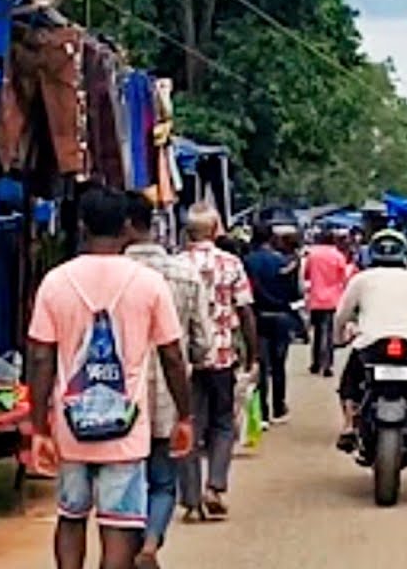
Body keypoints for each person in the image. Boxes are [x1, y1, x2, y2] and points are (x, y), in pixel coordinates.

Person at [27, 187, 194, 569]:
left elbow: (40, 357)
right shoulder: (149, 284)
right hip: (126, 429)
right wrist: (184, 416)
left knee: (71, 515)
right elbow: (171, 355)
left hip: (70, 428)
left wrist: (38, 427)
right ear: (127, 228)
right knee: (120, 523)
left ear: (82, 226)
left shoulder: (55, 282)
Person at [123, 195, 211, 569]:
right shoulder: (184, 274)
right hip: (166, 399)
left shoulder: (108, 274)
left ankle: (125, 546)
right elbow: (200, 344)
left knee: (124, 480)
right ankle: (151, 544)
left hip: (115, 400)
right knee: (162, 481)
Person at [179, 203, 257, 521]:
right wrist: (254, 355)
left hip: (183, 361)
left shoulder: (176, 265)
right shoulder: (231, 263)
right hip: (223, 355)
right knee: (223, 423)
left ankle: (192, 498)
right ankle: (215, 486)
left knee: (188, 425)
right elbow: (246, 310)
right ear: (214, 230)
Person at [333, 230, 407, 451]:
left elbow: (341, 315)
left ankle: (347, 424)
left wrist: (338, 338)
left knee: (350, 381)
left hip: (369, 345)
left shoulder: (360, 279)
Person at [244, 224, 299, 425]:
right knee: (279, 364)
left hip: (256, 317)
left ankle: (263, 412)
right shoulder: (282, 262)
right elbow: (294, 293)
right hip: (281, 316)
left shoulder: (247, 262)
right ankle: (278, 407)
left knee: (261, 364)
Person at [304, 232, 349, 377]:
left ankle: (316, 363)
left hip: (316, 299)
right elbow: (344, 278)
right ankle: (327, 365)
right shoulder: (338, 256)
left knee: (317, 332)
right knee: (329, 333)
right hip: (333, 300)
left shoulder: (312, 255)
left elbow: (306, 274)